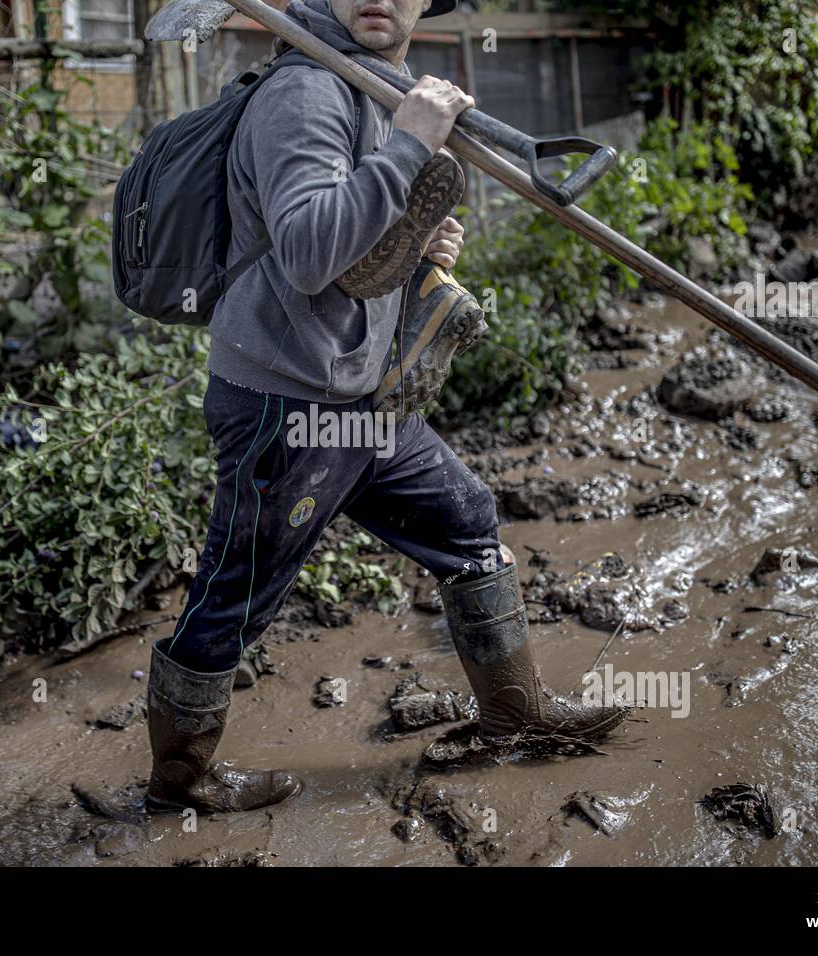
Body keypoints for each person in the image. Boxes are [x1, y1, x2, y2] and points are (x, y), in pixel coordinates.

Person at [142, 0, 627, 815]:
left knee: (467, 519)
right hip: (284, 404)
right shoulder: (307, 94)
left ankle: (512, 715)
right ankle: (178, 780)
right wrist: (410, 143)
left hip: (357, 395)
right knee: (237, 590)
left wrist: (414, 243)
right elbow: (303, 253)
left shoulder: (370, 87)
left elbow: (353, 249)